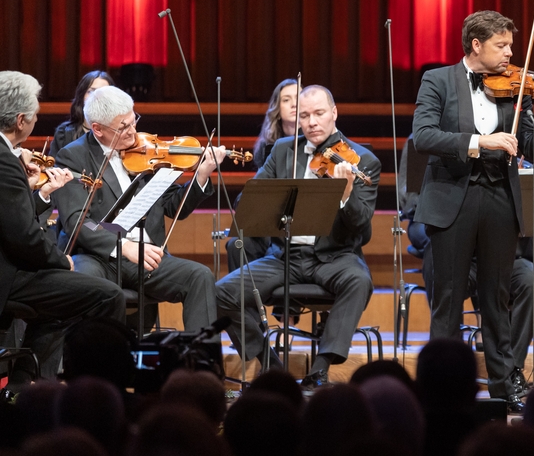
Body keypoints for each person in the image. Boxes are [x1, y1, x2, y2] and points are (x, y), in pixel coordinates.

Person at [412, 10, 534, 412]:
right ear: (476, 45)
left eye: (510, 45)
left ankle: (505, 387)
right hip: (452, 198)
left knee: (497, 299)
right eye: (501, 45)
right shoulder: (438, 80)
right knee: (448, 301)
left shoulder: (515, 87)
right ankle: (443, 393)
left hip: (500, 199)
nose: (509, 54)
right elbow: (424, 135)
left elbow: (531, 145)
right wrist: (480, 142)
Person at [215, 85, 379, 390]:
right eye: (304, 116)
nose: (312, 122)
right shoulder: (283, 150)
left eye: (319, 113)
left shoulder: (363, 160)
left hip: (334, 257)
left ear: (334, 113)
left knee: (359, 280)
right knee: (221, 293)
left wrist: (346, 194)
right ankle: (270, 365)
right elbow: (249, 200)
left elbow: (361, 227)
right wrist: (273, 198)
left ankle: (320, 369)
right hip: (284, 258)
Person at [52, 86, 225, 335]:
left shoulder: (146, 151)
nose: (133, 132)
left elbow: (173, 206)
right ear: (97, 129)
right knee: (86, 282)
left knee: (200, 275)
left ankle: (202, 357)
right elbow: (79, 221)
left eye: (134, 121)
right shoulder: (73, 157)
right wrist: (123, 246)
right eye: (123, 127)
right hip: (96, 257)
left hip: (145, 257)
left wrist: (201, 176)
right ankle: (94, 355)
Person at [0, 71, 124, 387]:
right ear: (20, 120)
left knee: (61, 304)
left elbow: (11, 219)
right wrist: (61, 261)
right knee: (107, 295)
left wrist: (35, 192)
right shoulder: (5, 161)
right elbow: (24, 238)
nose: (36, 120)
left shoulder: (8, 159)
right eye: (35, 115)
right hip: (8, 276)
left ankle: (22, 387)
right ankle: (98, 391)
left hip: (11, 268)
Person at [226, 78, 298, 272]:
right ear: (277, 108)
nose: (294, 104)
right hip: (272, 223)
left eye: (298, 98)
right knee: (237, 245)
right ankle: (247, 293)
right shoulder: (268, 148)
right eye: (286, 100)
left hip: (304, 223)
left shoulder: (316, 142)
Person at [49, 71, 114, 157]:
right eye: (91, 91)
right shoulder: (64, 133)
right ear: (82, 95)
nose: (97, 97)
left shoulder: (117, 133)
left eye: (103, 92)